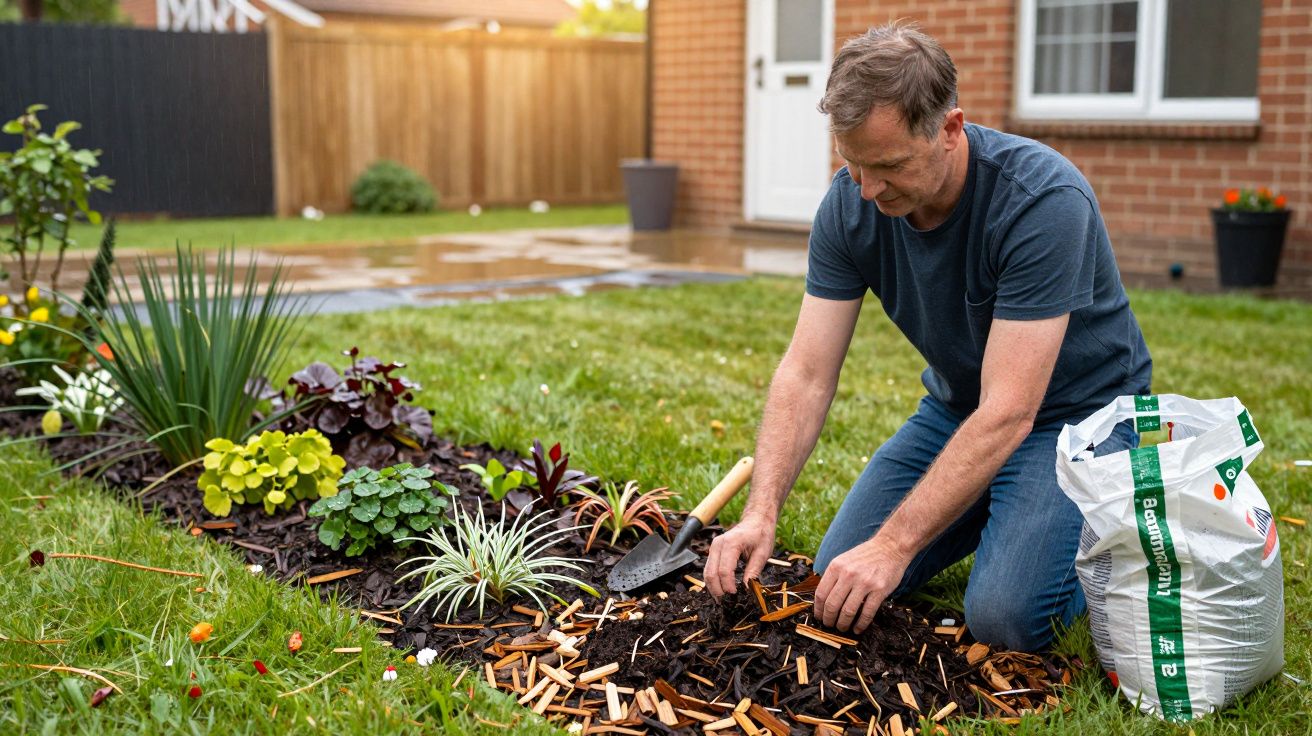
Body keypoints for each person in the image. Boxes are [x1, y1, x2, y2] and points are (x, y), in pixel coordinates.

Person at [702, 21, 1152, 652]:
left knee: (1007, 618)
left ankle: (1111, 530)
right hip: (958, 409)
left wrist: (894, 545)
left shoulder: (1042, 200)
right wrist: (761, 511)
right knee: (839, 576)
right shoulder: (851, 205)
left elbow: (1011, 411)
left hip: (1081, 420)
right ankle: (1007, 509)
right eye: (851, 162)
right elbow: (806, 373)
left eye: (888, 165)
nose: (867, 188)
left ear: (949, 129)